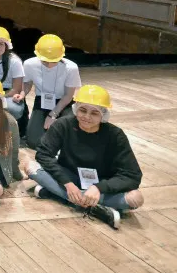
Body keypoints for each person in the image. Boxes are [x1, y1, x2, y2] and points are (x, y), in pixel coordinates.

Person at [27, 85, 144, 229]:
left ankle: (57, 193)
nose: (87, 117)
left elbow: (133, 175)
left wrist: (99, 188)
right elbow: (43, 154)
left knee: (136, 199)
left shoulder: (115, 135)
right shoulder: (63, 124)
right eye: (83, 110)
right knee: (30, 167)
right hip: (70, 177)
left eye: (94, 113)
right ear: (76, 109)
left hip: (101, 183)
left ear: (104, 115)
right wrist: (67, 183)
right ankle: (95, 207)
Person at [17, 34, 81, 149]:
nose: (49, 64)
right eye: (45, 61)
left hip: (64, 102)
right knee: (33, 142)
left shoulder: (71, 68)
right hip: (42, 100)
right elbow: (27, 84)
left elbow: (68, 95)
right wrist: (22, 94)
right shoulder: (29, 64)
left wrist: (53, 115)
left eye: (54, 61)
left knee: (70, 135)